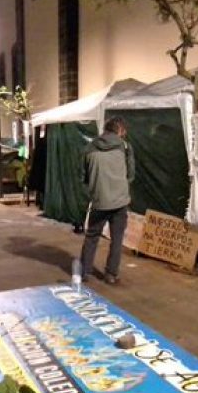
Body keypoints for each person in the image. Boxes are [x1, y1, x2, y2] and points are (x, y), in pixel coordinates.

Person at [80, 116, 134, 285]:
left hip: (99, 200)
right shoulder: (125, 147)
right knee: (117, 239)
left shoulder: (88, 148)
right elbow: (130, 174)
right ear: (120, 130)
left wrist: (96, 189)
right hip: (120, 201)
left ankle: (84, 272)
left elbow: (83, 177)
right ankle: (111, 274)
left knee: (92, 236)